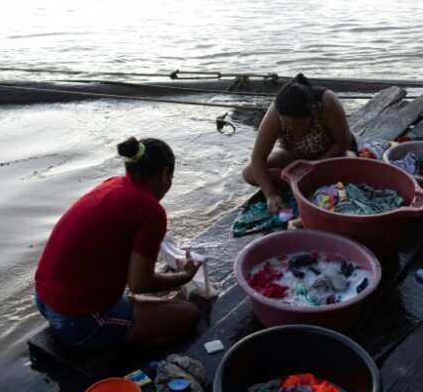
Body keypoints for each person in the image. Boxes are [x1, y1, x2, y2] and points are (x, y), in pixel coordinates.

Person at [34, 137, 201, 347]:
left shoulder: (112, 184)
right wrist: (183, 276)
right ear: (165, 174)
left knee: (155, 303)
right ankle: (116, 355)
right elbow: (140, 284)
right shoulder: (151, 210)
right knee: (189, 314)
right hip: (78, 319)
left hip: (43, 299)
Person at [242, 73, 354, 213]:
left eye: (298, 124)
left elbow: (342, 144)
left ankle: (301, 182)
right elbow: (258, 157)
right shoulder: (276, 111)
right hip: (296, 157)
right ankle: (302, 182)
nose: (292, 129)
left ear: (312, 112)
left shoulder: (326, 101)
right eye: (286, 124)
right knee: (250, 173)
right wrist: (270, 194)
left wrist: (312, 167)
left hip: (331, 157)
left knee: (350, 164)